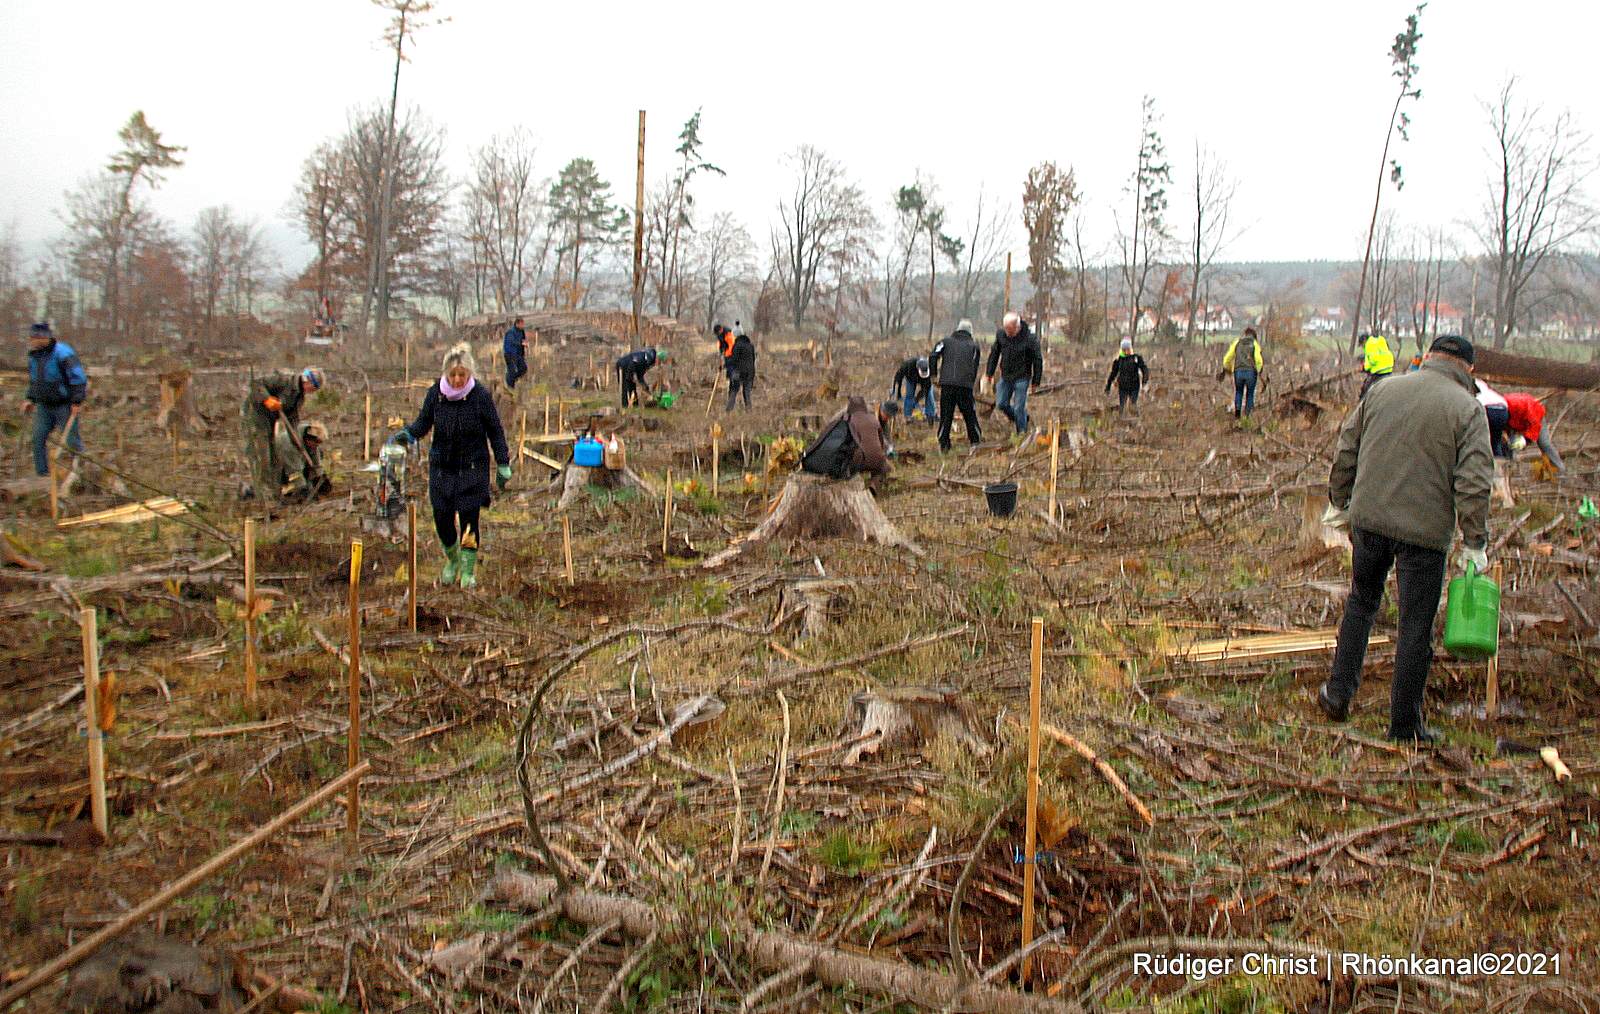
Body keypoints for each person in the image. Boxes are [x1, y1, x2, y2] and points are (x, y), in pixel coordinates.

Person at [1318, 335, 1493, 743]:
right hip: (1424, 536)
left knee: (1361, 603)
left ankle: (1338, 694)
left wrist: (1340, 501)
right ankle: (1404, 725)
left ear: (1428, 357)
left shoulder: (1383, 389)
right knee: (1415, 626)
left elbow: (1347, 448)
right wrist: (1475, 542)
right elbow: (1474, 483)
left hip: (1370, 521)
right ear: (1468, 369)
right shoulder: (1468, 410)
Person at [389, 342, 511, 590]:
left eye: (462, 375)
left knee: (469, 520)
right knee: (441, 518)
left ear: (469, 374)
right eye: (452, 375)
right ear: (446, 373)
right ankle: (452, 560)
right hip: (441, 467)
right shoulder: (436, 394)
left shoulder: (480, 397)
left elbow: (495, 431)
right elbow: (423, 423)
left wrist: (503, 462)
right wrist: (408, 435)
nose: (457, 379)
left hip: (472, 468)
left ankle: (467, 570)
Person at [242, 365, 325, 501]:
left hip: (269, 423)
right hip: (255, 418)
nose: (313, 392)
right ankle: (262, 497)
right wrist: (267, 399)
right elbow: (256, 384)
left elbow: (292, 421)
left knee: (273, 459)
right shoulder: (284, 380)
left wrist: (298, 444)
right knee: (262, 457)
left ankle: (272, 494)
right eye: (314, 388)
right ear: (308, 381)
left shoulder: (298, 398)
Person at [24, 322, 87, 477]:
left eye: (33, 337)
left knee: (72, 440)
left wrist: (77, 401)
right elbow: (35, 381)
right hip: (44, 406)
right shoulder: (34, 356)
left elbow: (78, 377)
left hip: (64, 405)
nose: (30, 340)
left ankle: (79, 472)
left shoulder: (63, 353)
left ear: (43, 338)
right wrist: (30, 399)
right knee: (38, 439)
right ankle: (42, 475)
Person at [800, 395, 891, 480]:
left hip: (858, 460)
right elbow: (882, 442)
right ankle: (873, 487)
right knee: (882, 466)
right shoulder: (873, 419)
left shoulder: (847, 419)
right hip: (878, 460)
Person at [985, 312, 1043, 435]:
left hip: (1022, 378)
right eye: (1006, 329)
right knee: (1001, 404)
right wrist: (989, 373)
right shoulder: (1001, 335)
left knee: (1018, 407)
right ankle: (1021, 418)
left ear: (1017, 327)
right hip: (1006, 377)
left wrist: (1036, 382)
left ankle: (1021, 433)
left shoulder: (1030, 339)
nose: (1007, 333)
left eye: (1010, 330)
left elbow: (1037, 360)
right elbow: (994, 354)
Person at [929, 320, 982, 452]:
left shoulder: (945, 342)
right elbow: (974, 367)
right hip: (965, 386)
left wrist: (934, 374)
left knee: (946, 415)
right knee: (970, 414)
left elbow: (933, 355)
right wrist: (971, 382)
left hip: (947, 384)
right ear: (970, 332)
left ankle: (944, 444)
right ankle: (975, 441)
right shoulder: (974, 346)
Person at [1502, 391, 1565, 474]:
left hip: (1535, 417)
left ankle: (1559, 469)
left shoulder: (1529, 410)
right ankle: (1507, 469)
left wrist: (1526, 440)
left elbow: (1534, 427)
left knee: (1544, 444)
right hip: (1512, 420)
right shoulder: (1498, 406)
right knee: (1507, 444)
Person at [274, 421, 332, 500]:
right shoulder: (289, 446)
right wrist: (303, 488)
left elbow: (315, 459)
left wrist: (319, 476)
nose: (317, 446)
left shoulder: (309, 441)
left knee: (320, 453)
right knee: (299, 487)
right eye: (317, 443)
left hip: (297, 463)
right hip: (281, 469)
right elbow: (294, 471)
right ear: (309, 439)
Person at [1222, 327, 1264, 419]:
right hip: (1251, 372)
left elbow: (1227, 358)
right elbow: (1258, 359)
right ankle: (1248, 415)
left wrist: (1227, 368)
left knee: (1239, 392)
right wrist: (1259, 369)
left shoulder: (1237, 343)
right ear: (1254, 335)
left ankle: (1237, 412)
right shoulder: (1254, 344)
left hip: (1238, 371)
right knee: (1250, 393)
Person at [1104, 337, 1150, 414]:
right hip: (1123, 387)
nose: (1126, 351)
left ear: (1130, 348)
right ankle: (1121, 421)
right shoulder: (1118, 360)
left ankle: (1136, 421)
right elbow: (1113, 373)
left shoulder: (1136, 358)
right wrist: (1108, 386)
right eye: (1124, 349)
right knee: (1122, 407)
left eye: (1127, 349)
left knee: (1132, 405)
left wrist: (1144, 380)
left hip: (1134, 386)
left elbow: (1144, 369)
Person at [890, 356, 935, 422]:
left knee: (929, 394)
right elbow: (898, 379)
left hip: (924, 381)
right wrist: (897, 392)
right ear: (917, 368)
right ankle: (908, 416)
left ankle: (930, 415)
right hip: (910, 379)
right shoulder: (907, 365)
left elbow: (925, 389)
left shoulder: (930, 370)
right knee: (909, 396)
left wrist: (916, 400)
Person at [1474, 380, 1511, 458]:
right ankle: (1501, 462)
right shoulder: (1490, 392)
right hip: (1503, 410)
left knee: (1481, 439)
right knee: (1496, 441)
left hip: (1488, 409)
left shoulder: (1474, 391)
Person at [725, 329, 756, 410]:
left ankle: (728, 410)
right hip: (750, 373)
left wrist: (725, 364)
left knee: (733, 391)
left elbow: (734, 359)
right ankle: (749, 411)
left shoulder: (737, 345)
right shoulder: (750, 346)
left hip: (738, 372)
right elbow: (753, 359)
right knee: (747, 393)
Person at [1359, 332, 1395, 398]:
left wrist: (1364, 368)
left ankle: (1363, 404)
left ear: (1364, 341)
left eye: (1361, 345)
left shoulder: (1369, 344)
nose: (1362, 347)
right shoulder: (1380, 340)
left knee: (1365, 391)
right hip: (1389, 368)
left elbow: (1373, 361)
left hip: (1379, 370)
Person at [503, 318, 529, 389]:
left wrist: (525, 345)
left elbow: (523, 340)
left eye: (523, 324)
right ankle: (510, 387)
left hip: (518, 354)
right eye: (521, 324)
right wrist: (521, 343)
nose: (523, 326)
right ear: (517, 324)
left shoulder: (522, 332)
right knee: (512, 371)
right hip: (510, 354)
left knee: (523, 368)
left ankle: (511, 379)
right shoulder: (510, 332)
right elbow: (512, 342)